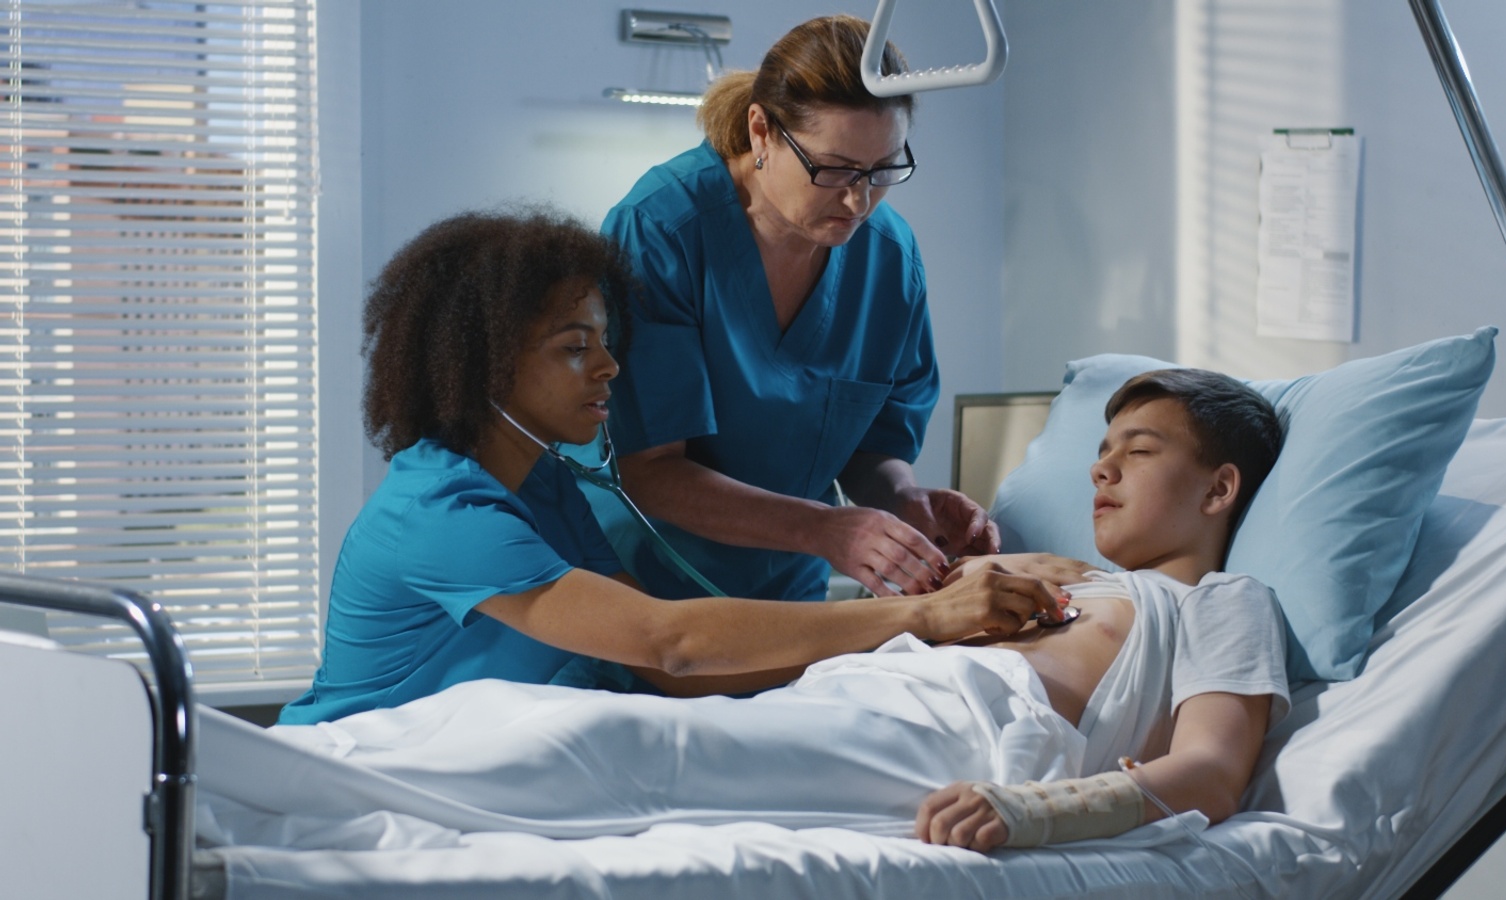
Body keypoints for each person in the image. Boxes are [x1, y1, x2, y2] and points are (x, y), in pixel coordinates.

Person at [256, 365, 1289, 853]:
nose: (1102, 472)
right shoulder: (1043, 558)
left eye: (1139, 454)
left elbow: (1210, 773)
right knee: (533, 724)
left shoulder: (1218, 602)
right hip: (847, 691)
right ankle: (233, 785)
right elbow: (888, 618)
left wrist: (1033, 810)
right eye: (1099, 453)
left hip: (950, 735)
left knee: (604, 746)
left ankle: (236, 807)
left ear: (1219, 490)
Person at [276, 208, 1064, 726]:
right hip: (361, 772)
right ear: (486, 369)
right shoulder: (440, 511)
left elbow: (665, 672)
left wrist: (886, 663)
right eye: (574, 348)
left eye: (604, 341)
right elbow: (668, 641)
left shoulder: (546, 483)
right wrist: (917, 618)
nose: (611, 367)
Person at [600, 15, 1005, 603]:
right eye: (834, 168)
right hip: (647, 583)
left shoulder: (888, 257)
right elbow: (649, 468)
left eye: (883, 169)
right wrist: (825, 528)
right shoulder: (662, 230)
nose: (858, 199)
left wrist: (901, 503)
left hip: (791, 594)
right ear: (761, 130)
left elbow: (873, 447)